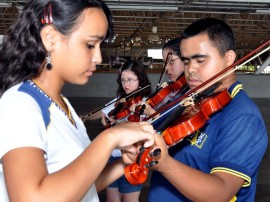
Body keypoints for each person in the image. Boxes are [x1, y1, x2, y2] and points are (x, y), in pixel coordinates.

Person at [0, 1, 157, 201]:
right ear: (50, 38)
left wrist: (123, 164)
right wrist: (109, 139)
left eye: (100, 46)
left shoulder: (62, 104)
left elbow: (80, 186)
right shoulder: (21, 104)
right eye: (90, 45)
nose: (98, 57)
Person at [147, 18, 268, 201]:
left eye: (200, 60)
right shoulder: (192, 99)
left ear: (228, 58)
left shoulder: (243, 117)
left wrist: (164, 163)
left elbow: (221, 192)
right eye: (186, 61)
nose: (190, 70)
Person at [102, 60, 152, 202]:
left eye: (130, 80)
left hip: (132, 158)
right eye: (123, 80)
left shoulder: (146, 103)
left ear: (140, 80)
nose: (126, 84)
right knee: (112, 199)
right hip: (113, 156)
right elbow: (106, 112)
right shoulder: (120, 100)